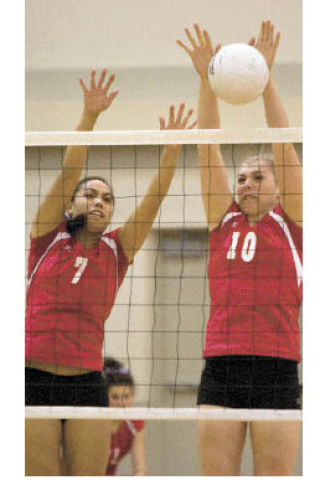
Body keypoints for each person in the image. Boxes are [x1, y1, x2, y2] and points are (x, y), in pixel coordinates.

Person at [25, 68, 196, 476]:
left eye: (108, 199)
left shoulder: (116, 249)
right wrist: (89, 117)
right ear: (72, 206)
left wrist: (171, 150)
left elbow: (153, 200)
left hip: (86, 382)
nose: (99, 202)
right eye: (91, 195)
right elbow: (68, 174)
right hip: (31, 378)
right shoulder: (47, 236)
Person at [177, 21, 302, 476]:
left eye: (258, 177)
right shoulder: (222, 219)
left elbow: (282, 143)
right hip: (222, 366)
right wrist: (205, 80)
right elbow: (207, 145)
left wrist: (265, 77)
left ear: (277, 187)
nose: (247, 184)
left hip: (276, 365)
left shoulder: (295, 223)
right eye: (242, 178)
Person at [103, 357, 147, 476]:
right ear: (104, 399)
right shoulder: (93, 422)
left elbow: (140, 469)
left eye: (126, 396)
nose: (121, 403)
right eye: (115, 397)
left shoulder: (135, 424)